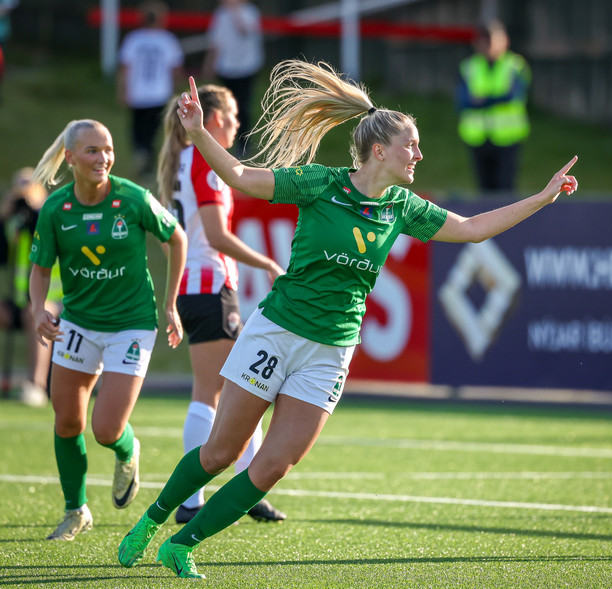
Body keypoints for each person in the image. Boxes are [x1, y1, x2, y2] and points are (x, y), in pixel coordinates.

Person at [118, 60, 577, 579]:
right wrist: (199, 133)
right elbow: (241, 176)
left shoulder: (402, 206)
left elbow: (472, 229)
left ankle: (182, 546)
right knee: (221, 451)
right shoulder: (320, 183)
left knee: (273, 465)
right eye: (411, 145)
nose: (419, 155)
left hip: (331, 352)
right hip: (278, 332)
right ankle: (151, 521)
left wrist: (542, 198)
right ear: (379, 151)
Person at [29, 119, 187, 541]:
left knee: (106, 430)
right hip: (78, 323)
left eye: (109, 149)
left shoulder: (133, 198)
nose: (104, 158)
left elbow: (177, 238)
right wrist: (38, 309)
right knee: (67, 421)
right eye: (93, 150)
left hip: (131, 325)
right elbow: (40, 269)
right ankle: (75, 510)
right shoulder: (55, 209)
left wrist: (170, 304)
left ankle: (127, 450)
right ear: (70, 157)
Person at [156, 84, 286, 524]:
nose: (237, 122)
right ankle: (196, 501)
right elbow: (215, 235)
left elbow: (178, 237)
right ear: (213, 119)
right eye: (231, 115)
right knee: (223, 391)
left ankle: (242, 492)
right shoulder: (205, 161)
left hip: (195, 287)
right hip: (210, 286)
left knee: (236, 388)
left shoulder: (181, 159)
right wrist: (267, 262)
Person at [0, 167, 62, 407]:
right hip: (18, 300)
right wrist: (4, 216)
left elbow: (46, 234)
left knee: (35, 314)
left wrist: (36, 208)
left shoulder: (51, 217)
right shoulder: (14, 222)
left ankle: (36, 386)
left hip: (53, 301)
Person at [456, 19, 531, 195]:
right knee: (484, 189)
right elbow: (462, 102)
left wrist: (481, 101)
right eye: (484, 41)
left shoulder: (515, 65)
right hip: (477, 136)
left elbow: (512, 96)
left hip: (508, 135)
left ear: (505, 41)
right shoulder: (469, 66)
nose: (488, 46)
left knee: (505, 187)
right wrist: (494, 98)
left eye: (492, 40)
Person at [117, 0, 185, 178]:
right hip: (159, 93)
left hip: (137, 94)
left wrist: (123, 90)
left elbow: (125, 68)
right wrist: (176, 90)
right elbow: (175, 69)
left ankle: (142, 153)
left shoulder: (133, 39)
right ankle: (148, 161)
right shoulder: (167, 40)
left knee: (138, 130)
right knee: (154, 131)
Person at [202, 0, 264, 158]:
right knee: (224, 106)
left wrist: (235, 12)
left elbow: (245, 31)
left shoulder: (250, 12)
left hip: (245, 68)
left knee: (242, 108)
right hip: (226, 69)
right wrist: (209, 64)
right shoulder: (221, 14)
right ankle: (224, 139)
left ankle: (243, 144)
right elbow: (216, 42)